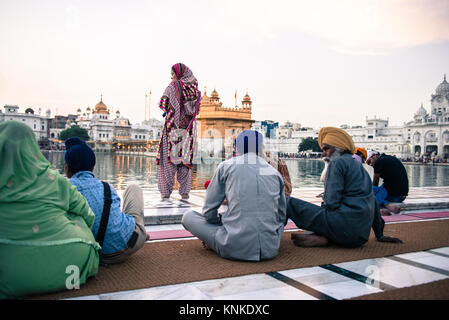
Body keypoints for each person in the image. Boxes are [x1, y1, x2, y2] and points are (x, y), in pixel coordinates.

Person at [0, 121, 99, 298]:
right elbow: (88, 215)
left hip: (8, 273)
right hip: (73, 263)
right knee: (74, 215)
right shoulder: (54, 179)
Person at [287, 127, 402, 248]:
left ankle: (273, 239)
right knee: (327, 214)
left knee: (287, 202)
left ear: (339, 148)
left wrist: (315, 223)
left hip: (342, 229)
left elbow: (331, 203)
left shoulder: (336, 164)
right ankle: (324, 237)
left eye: (326, 149)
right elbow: (373, 203)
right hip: (360, 237)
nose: (323, 153)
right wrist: (379, 234)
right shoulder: (361, 169)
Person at [181, 130, 286, 261]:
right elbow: (281, 216)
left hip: (233, 247)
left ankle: (216, 242)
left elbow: (208, 211)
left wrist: (219, 223)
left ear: (236, 148)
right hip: (270, 249)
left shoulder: (226, 166)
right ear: (260, 148)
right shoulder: (274, 172)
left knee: (188, 216)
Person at [64, 137, 148, 265]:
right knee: (134, 188)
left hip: (89, 254)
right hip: (127, 247)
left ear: (67, 168)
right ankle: (139, 232)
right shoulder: (106, 187)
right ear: (92, 167)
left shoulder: (64, 189)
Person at [156, 63, 201, 201]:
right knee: (184, 162)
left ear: (179, 74)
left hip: (172, 130)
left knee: (168, 162)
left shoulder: (173, 86)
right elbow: (196, 110)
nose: (172, 76)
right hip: (188, 132)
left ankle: (165, 193)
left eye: (173, 74)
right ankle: (185, 193)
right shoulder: (195, 89)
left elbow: (163, 104)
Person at [366, 150, 409, 216]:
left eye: (369, 161)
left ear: (374, 155)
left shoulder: (378, 162)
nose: (370, 165)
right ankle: (385, 204)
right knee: (377, 190)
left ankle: (385, 205)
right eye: (368, 164)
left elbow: (375, 183)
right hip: (402, 196)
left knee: (371, 192)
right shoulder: (391, 158)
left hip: (394, 196)